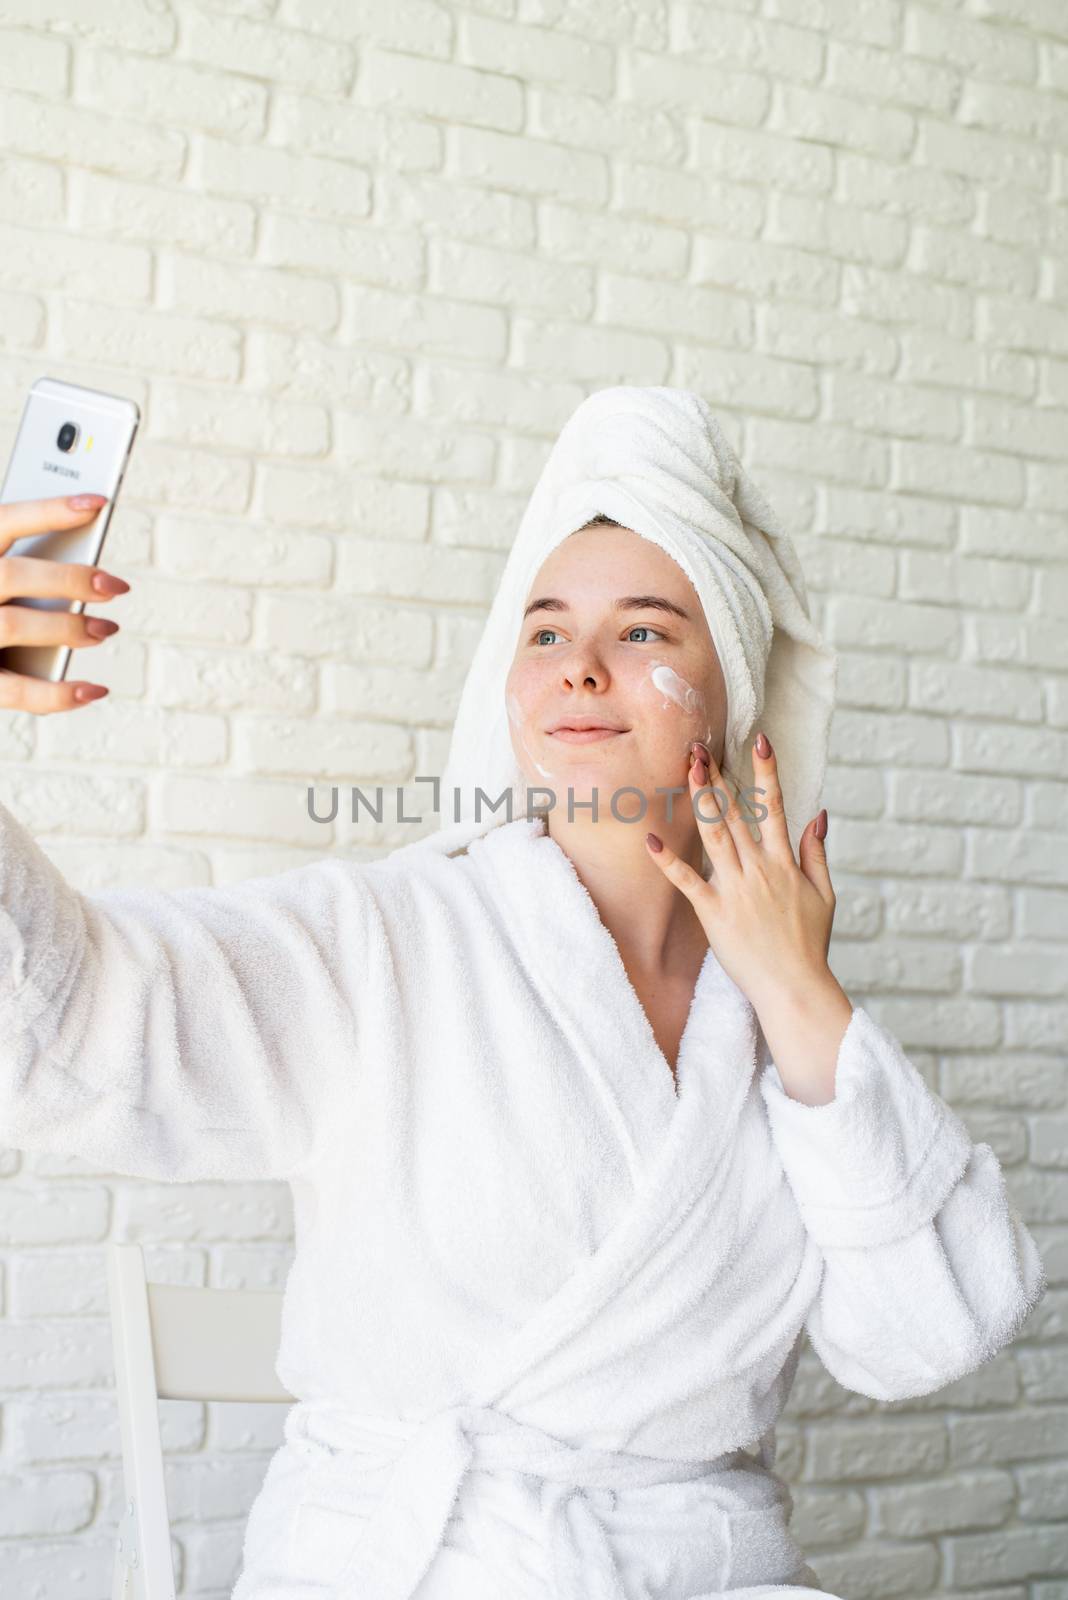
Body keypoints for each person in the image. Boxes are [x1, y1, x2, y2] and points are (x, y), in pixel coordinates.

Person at [0, 386, 1047, 1600]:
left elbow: (926, 1334)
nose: (582, 668)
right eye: (545, 631)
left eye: (647, 632)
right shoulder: (387, 937)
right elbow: (65, 1039)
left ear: (735, 690)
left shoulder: (775, 1026)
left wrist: (799, 989)